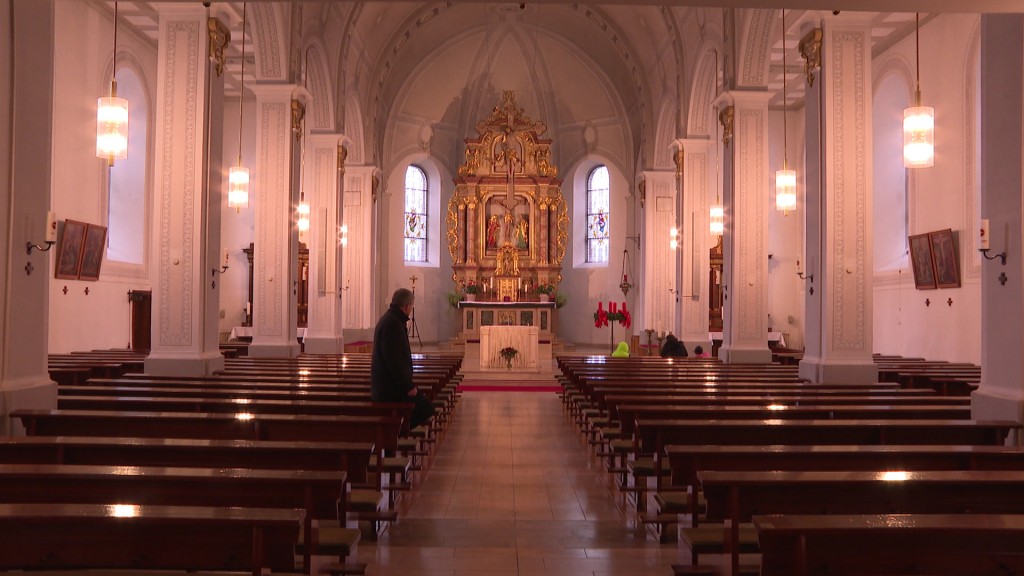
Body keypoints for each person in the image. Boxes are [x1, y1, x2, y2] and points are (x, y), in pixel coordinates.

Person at [371, 288, 435, 430]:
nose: (411, 309)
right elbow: (394, 361)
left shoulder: (390, 319)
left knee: (424, 406)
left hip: (390, 385)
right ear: (407, 306)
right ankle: (395, 433)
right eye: (411, 305)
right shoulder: (393, 324)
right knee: (426, 408)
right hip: (390, 389)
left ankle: (395, 432)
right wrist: (408, 386)